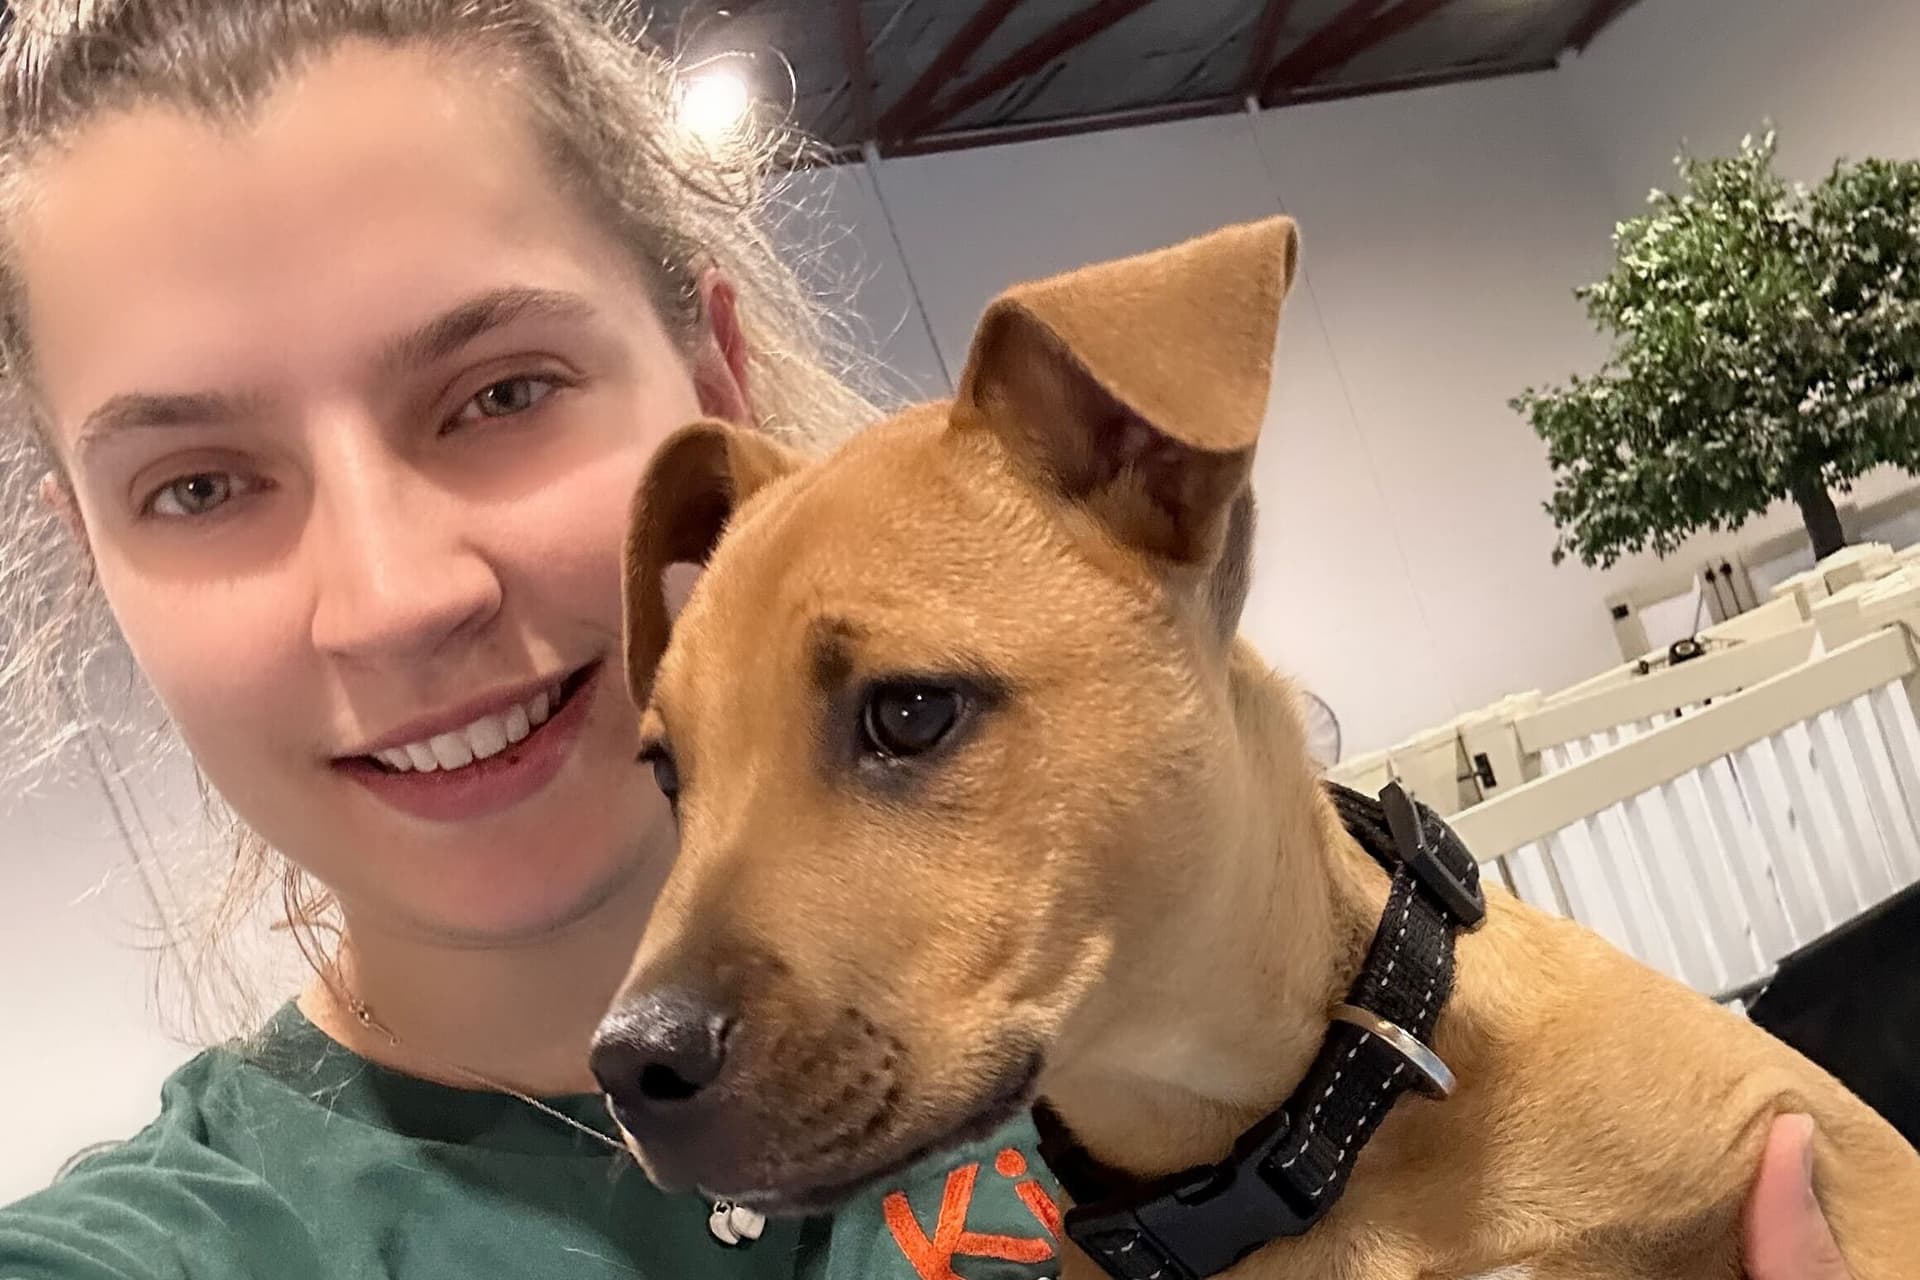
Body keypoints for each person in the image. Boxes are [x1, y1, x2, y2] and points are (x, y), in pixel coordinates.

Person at [0, 2, 1860, 1277]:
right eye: (196, 484)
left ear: (712, 402)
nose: (397, 592)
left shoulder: (1173, 977)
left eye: (500, 391)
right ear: (92, 556)